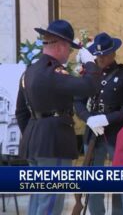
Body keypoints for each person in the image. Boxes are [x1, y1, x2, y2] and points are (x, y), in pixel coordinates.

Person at [15, 19, 101, 215]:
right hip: (54, 143)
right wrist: (90, 62)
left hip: (34, 142)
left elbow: (21, 112)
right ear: (61, 46)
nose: (69, 54)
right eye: (69, 49)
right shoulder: (53, 72)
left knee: (38, 199)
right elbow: (90, 86)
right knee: (51, 202)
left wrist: (34, 134)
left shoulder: (29, 71)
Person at [74, 32, 123, 215]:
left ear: (113, 53)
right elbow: (78, 101)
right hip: (94, 132)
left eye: (104, 54)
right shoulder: (90, 74)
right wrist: (88, 117)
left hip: (119, 132)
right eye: (98, 55)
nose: (101, 58)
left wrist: (108, 119)